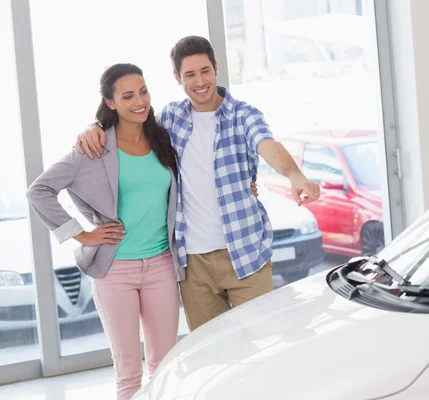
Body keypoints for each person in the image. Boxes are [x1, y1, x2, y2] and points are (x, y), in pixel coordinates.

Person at [76, 36, 321, 332]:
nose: (200, 81)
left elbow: (267, 144)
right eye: (189, 74)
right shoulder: (170, 118)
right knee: (212, 356)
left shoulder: (244, 115)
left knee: (263, 347)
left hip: (245, 254)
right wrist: (96, 125)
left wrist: (295, 175)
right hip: (192, 265)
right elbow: (129, 125)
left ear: (216, 68)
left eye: (205, 70)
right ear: (177, 78)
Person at [28, 63, 181, 400]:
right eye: (127, 96)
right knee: (129, 373)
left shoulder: (162, 138)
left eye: (143, 91)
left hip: (162, 265)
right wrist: (81, 234)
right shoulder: (93, 149)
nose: (140, 101)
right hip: (115, 270)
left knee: (165, 365)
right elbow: (39, 191)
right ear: (110, 103)